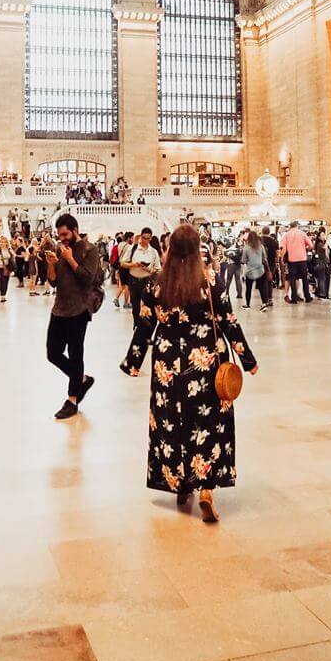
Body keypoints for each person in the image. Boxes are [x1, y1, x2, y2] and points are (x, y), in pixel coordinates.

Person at [120, 223, 258, 523]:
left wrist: (132, 362)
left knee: (172, 426)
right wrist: (248, 360)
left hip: (167, 366)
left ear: (169, 249)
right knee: (207, 425)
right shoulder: (210, 280)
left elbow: (144, 326)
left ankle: (180, 483)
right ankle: (206, 488)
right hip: (205, 364)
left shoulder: (156, 283)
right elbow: (228, 321)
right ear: (197, 250)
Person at [44, 213, 100, 421]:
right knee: (53, 353)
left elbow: (87, 279)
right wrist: (52, 263)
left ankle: (72, 399)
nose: (62, 238)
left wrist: (69, 259)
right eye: (60, 235)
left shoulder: (89, 250)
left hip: (79, 310)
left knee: (76, 354)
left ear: (75, 230)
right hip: (59, 308)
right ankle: (82, 379)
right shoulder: (61, 249)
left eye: (65, 234)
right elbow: (53, 282)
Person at [120, 227, 161, 325]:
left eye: (148, 238)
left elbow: (158, 268)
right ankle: (137, 325)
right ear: (140, 237)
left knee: (147, 306)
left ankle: (146, 328)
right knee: (135, 306)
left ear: (151, 238)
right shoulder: (133, 248)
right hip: (133, 280)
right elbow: (123, 263)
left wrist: (150, 270)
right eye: (144, 238)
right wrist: (135, 265)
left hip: (147, 280)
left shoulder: (153, 252)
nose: (145, 240)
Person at [281, 222, 313, 304]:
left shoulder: (286, 235)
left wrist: (282, 259)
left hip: (292, 261)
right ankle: (307, 297)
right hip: (302, 260)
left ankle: (294, 299)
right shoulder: (302, 233)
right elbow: (311, 245)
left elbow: (283, 249)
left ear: (290, 227)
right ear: (297, 226)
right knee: (305, 279)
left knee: (292, 280)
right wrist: (305, 249)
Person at [241, 230, 268, 311]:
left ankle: (248, 305)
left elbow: (243, 260)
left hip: (250, 271)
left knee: (248, 289)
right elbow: (264, 258)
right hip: (260, 270)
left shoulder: (246, 247)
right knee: (262, 288)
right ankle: (264, 304)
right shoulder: (261, 246)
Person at [260, 225, 279, 306]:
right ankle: (270, 298)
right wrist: (277, 262)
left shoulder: (259, 241)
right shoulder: (274, 241)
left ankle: (264, 299)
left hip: (260, 264)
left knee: (262, 281)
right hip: (271, 264)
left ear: (262, 232)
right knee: (269, 281)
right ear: (269, 232)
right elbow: (277, 254)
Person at [225, 235, 244, 300]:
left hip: (231, 264)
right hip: (238, 264)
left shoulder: (233, 246)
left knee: (228, 279)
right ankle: (239, 294)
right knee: (238, 279)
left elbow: (226, 253)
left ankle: (226, 292)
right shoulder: (242, 247)